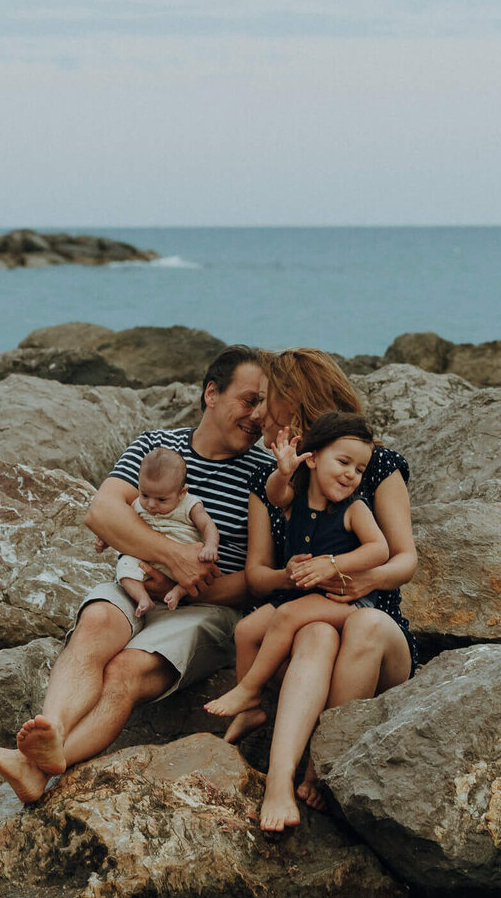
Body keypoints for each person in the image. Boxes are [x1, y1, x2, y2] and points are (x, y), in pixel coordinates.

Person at [0, 346, 270, 802]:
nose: (258, 415)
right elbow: (103, 512)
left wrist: (185, 580)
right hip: (134, 584)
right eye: (249, 400)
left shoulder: (264, 474)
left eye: (264, 404)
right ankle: (53, 735)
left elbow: (258, 578)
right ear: (211, 393)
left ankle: (34, 767)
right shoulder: (153, 447)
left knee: (125, 667)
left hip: (208, 606)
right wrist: (173, 557)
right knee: (97, 622)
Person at [235, 349, 419, 833]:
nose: (258, 414)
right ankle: (281, 783)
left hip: (375, 636)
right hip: (299, 632)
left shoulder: (375, 465)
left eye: (265, 400)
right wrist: (292, 575)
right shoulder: (273, 478)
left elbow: (404, 559)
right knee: (313, 631)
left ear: (292, 399)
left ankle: (319, 767)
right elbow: (257, 576)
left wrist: (363, 577)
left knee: (363, 623)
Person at [206, 411, 389, 721]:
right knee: (246, 630)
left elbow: (379, 549)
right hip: (297, 595)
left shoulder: (354, 508)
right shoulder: (296, 499)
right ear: (314, 460)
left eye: (359, 469)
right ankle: (251, 709)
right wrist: (283, 471)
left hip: (345, 602)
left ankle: (250, 688)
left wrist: (333, 564)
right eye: (343, 463)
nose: (351, 475)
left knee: (288, 616)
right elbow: (275, 494)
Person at [112, 446, 220, 616]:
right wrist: (104, 539)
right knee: (124, 567)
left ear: (182, 493)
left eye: (161, 499)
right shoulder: (137, 505)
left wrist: (210, 546)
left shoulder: (190, 505)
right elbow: (120, 525)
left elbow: (208, 525)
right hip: (147, 559)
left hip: (185, 560)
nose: (151, 504)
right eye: (145, 494)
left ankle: (177, 592)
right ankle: (143, 598)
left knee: (201, 568)